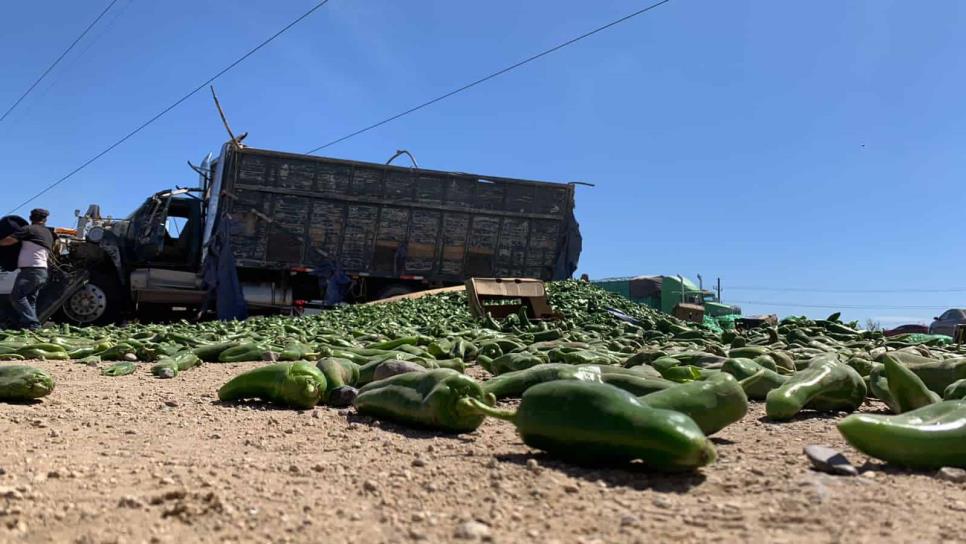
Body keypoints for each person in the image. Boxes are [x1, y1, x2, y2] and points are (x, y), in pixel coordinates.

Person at [0, 209, 53, 330]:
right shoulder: (47, 233)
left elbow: (9, 240)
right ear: (44, 220)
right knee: (30, 300)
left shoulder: (29, 229)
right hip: (42, 271)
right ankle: (30, 328)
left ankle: (33, 323)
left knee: (16, 296)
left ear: (31, 217)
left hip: (31, 270)